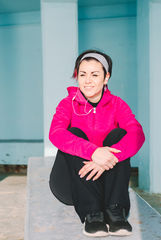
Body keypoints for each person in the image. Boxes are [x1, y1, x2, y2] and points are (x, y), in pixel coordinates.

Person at [48, 49, 145, 237]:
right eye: (82, 74)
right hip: (70, 184)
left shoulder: (117, 104)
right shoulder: (67, 104)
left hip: (107, 188)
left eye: (95, 74)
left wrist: (105, 158)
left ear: (106, 77)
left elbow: (137, 134)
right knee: (73, 133)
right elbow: (56, 133)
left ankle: (115, 212)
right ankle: (92, 214)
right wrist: (93, 152)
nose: (87, 80)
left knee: (119, 134)